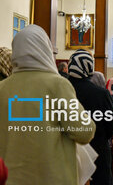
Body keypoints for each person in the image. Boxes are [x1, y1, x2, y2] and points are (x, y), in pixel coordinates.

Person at [0, 25, 95, 185]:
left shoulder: (2, 88)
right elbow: (84, 132)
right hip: (52, 177)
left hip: (11, 179)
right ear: (45, 49)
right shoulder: (57, 85)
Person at [68, 49, 113, 185]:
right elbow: (112, 125)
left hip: (68, 151)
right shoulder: (101, 94)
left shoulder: (62, 90)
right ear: (90, 68)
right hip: (98, 150)